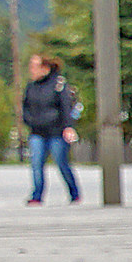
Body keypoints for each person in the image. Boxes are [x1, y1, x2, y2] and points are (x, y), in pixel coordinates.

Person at [22, 54, 81, 205]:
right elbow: (26, 107)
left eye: (35, 66)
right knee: (36, 164)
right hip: (37, 132)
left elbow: (66, 107)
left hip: (56, 131)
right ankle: (37, 195)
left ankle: (74, 192)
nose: (32, 70)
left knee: (61, 163)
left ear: (45, 68)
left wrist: (68, 127)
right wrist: (29, 121)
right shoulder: (31, 87)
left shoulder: (58, 84)